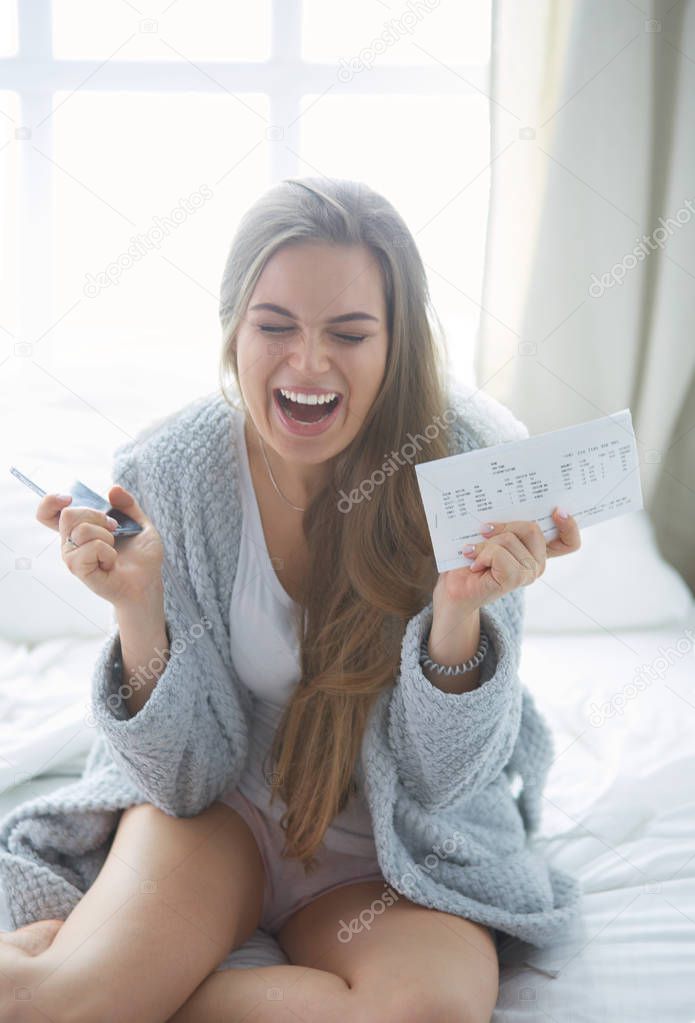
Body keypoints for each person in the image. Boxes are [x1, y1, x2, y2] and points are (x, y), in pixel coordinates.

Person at [0, 177, 582, 1023]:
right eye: (275, 327)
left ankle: (156, 992)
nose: (308, 363)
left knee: (427, 1015)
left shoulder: (471, 461)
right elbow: (182, 776)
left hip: (389, 849)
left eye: (349, 332)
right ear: (235, 327)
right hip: (219, 816)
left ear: (398, 343)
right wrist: (139, 610)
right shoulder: (171, 468)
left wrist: (457, 613)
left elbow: (445, 776)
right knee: (45, 1010)